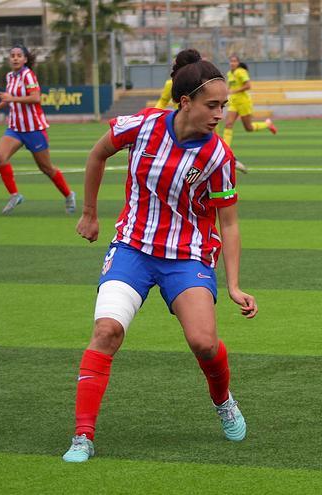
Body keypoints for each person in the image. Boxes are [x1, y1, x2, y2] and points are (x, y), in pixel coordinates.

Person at [62, 48, 258, 463]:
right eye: (212, 105)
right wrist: (90, 213)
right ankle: (82, 435)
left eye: (223, 105)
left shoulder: (218, 156)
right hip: (132, 247)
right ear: (184, 102)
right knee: (107, 332)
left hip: (187, 256)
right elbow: (97, 154)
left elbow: (231, 223)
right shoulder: (143, 125)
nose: (220, 114)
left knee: (204, 343)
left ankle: (223, 401)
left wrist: (235, 284)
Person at [0, 44, 76, 215]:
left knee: (46, 168)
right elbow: (9, 97)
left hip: (34, 128)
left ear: (25, 59)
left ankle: (68, 194)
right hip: (15, 127)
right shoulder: (10, 76)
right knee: (1, 157)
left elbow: (35, 98)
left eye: (19, 55)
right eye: (12, 55)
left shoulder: (28, 75)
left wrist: (11, 98)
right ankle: (15, 195)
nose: (15, 58)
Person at [223, 55, 277, 149]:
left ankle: (267, 124)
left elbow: (248, 86)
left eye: (235, 61)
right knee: (228, 124)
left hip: (244, 102)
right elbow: (229, 88)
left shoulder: (241, 72)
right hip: (234, 102)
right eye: (231, 61)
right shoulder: (229, 73)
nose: (232, 63)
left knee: (248, 128)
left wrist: (234, 91)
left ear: (238, 63)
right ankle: (225, 148)